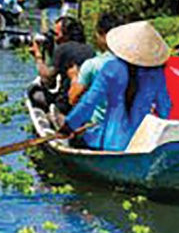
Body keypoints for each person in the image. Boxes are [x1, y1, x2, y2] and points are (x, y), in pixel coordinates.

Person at [61, 21, 172, 151]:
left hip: (111, 141)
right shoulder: (156, 74)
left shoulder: (112, 68)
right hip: (140, 140)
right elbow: (165, 108)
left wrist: (68, 126)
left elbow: (89, 102)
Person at [29, 14, 93, 113]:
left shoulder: (63, 49)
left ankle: (52, 114)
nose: (55, 38)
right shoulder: (90, 49)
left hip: (66, 103)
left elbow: (48, 79)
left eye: (56, 34)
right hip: (86, 102)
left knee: (34, 92)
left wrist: (38, 56)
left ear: (66, 35)